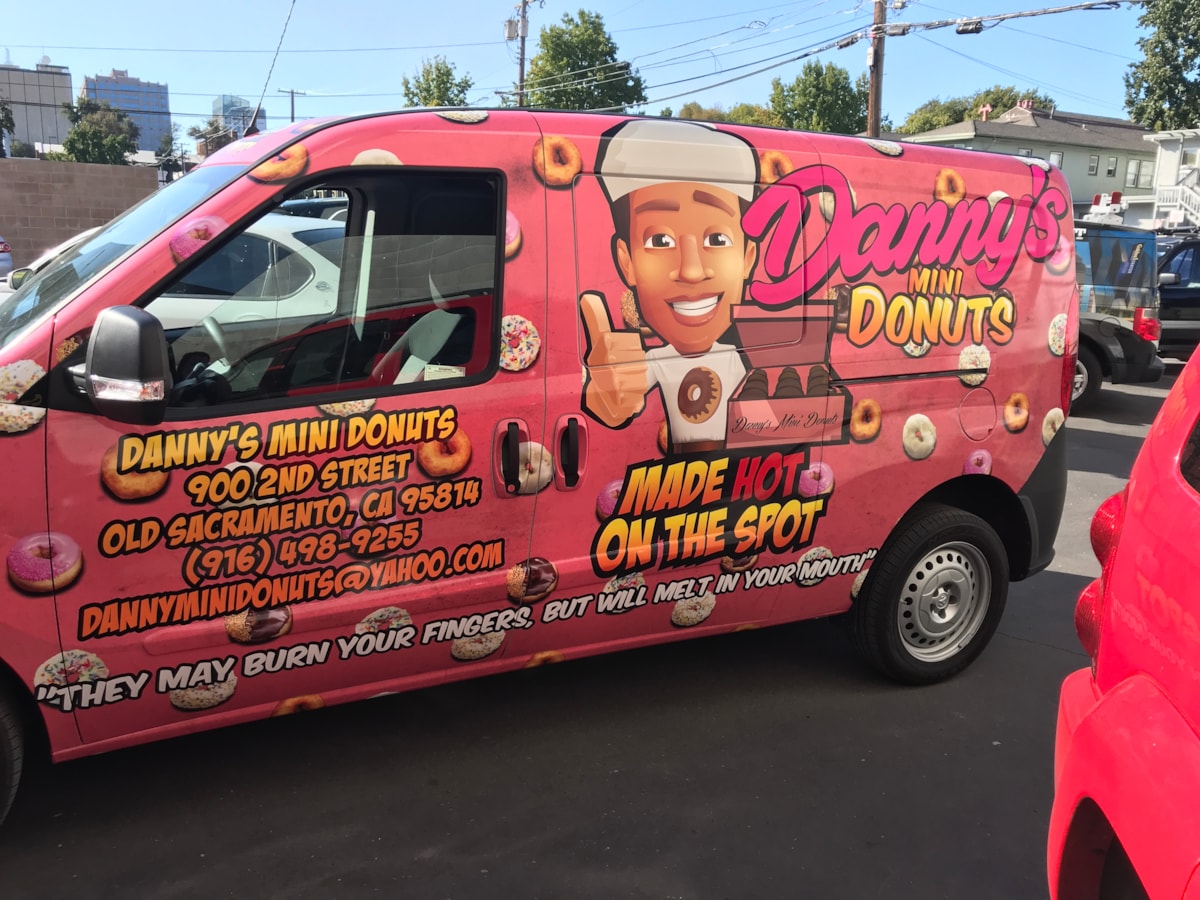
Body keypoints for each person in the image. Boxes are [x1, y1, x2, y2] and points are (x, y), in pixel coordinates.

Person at [580, 119, 760, 453]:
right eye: (660, 240)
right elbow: (617, 399)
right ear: (626, 262)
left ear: (747, 258)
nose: (691, 271)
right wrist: (604, 395)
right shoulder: (656, 360)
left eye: (717, 239)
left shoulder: (752, 359)